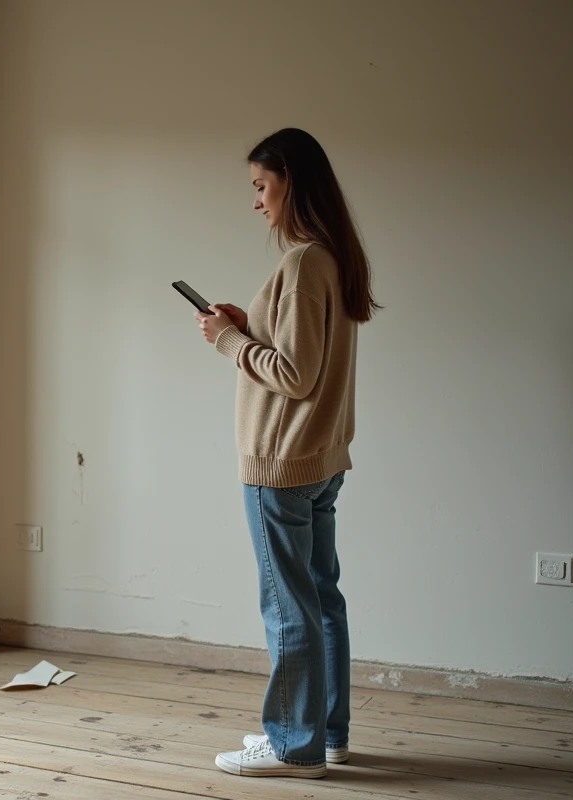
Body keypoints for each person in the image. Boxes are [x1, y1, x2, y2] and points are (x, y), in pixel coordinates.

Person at [194, 128, 379, 779]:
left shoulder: (302, 264)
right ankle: (326, 732)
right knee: (321, 597)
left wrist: (226, 342)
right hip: (321, 461)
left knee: (288, 604)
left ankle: (293, 744)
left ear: (291, 183)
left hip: (281, 465)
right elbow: (307, 359)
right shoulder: (332, 258)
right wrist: (249, 327)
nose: (256, 201)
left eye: (261, 186)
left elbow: (295, 376)